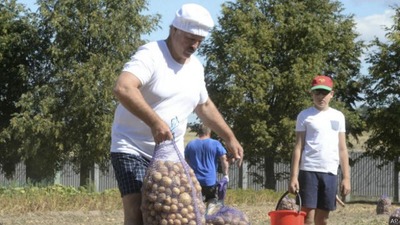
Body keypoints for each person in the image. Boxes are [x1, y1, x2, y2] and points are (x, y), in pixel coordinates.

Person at [109, 3, 244, 225]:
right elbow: (123, 88)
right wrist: (155, 122)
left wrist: (229, 137)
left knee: (176, 212)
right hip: (131, 146)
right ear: (174, 30)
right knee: (137, 209)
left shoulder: (196, 68)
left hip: (170, 154)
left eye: (200, 40)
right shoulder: (151, 54)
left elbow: (204, 106)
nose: (195, 45)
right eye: (190, 38)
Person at [288, 75, 351, 225]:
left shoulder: (338, 116)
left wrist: (346, 178)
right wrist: (294, 176)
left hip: (330, 172)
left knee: (323, 219)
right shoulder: (304, 116)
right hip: (308, 170)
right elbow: (298, 147)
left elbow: (342, 149)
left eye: (324, 92)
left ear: (332, 94)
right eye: (317, 92)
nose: (321, 96)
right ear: (312, 94)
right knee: (308, 217)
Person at [185, 124, 230, 205]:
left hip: (194, 180)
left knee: (196, 201)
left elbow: (185, 163)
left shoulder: (190, 144)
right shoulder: (215, 144)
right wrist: (226, 175)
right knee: (212, 199)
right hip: (210, 181)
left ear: (198, 132)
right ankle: (208, 215)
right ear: (209, 132)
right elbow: (224, 160)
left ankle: (199, 215)